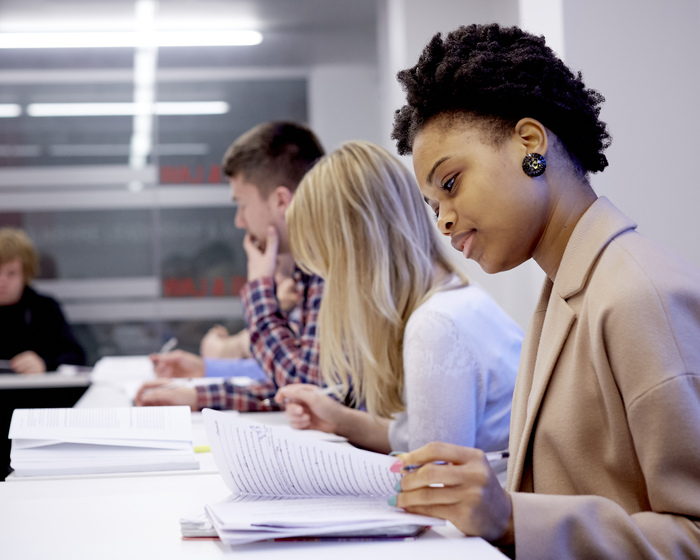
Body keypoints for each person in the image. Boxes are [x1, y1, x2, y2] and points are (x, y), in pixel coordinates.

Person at [386, 23, 700, 558]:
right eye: (432, 204)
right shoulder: (567, 286)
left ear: (529, 143)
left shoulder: (638, 294)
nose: (443, 219)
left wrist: (511, 518)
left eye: (451, 182)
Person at [275, 141, 522, 472]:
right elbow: (422, 438)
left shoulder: (435, 326)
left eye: (329, 268)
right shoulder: (459, 300)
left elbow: (433, 478)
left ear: (358, 253)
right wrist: (339, 419)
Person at [135, 121, 325, 411]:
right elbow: (284, 381)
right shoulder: (305, 275)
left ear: (280, 202)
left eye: (242, 204)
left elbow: (303, 389)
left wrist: (260, 289)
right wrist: (200, 392)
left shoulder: (327, 272)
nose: (240, 221)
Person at [0, 228, 85, 373]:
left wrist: (45, 364)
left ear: (25, 275)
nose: (2, 281)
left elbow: (77, 357)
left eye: (11, 273)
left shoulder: (44, 309)